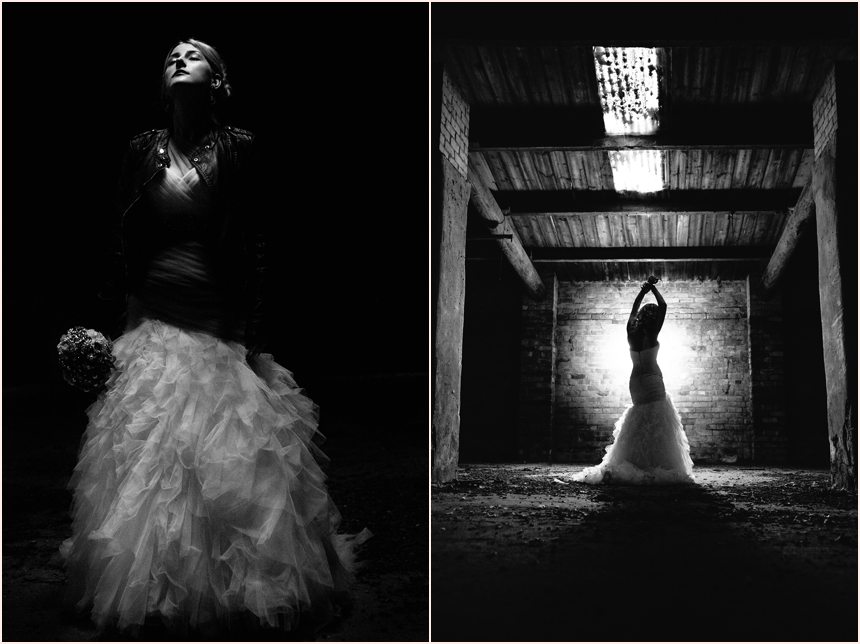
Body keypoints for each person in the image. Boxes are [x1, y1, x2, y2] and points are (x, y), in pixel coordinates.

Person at [61, 38, 368, 636]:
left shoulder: (239, 148)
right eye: (171, 56)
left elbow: (255, 243)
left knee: (228, 462)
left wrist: (249, 334)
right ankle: (155, 594)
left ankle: (231, 597)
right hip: (149, 320)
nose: (180, 59)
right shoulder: (139, 150)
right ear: (162, 83)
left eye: (195, 55)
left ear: (218, 81)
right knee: (149, 461)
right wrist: (105, 321)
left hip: (216, 323)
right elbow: (120, 241)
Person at [573, 277, 694, 484]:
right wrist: (653, 288)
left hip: (635, 381)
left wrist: (643, 291)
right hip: (653, 379)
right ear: (653, 319)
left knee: (639, 420)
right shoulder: (653, 332)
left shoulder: (631, 332)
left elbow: (633, 308)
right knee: (657, 421)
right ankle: (654, 463)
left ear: (640, 317)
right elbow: (663, 305)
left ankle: (634, 462)